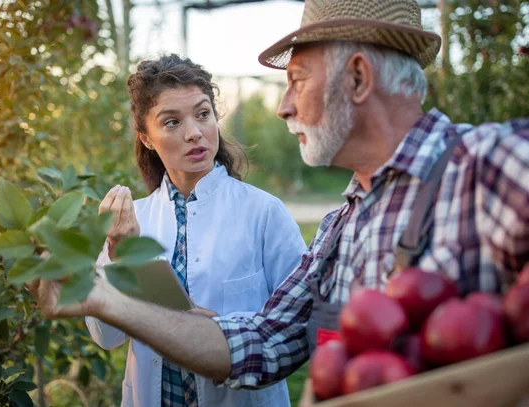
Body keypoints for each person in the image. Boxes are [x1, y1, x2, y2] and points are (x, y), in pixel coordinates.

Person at [27, 0, 529, 396]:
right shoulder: (340, 230)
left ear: (357, 78)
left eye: (297, 81)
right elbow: (261, 342)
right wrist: (101, 296)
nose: (285, 107)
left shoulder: (485, 165)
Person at [84, 54, 306, 407]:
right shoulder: (131, 221)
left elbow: (300, 325)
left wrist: (223, 332)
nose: (194, 133)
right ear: (145, 137)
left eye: (203, 114)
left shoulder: (264, 213)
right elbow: (105, 335)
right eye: (171, 122)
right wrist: (118, 251)